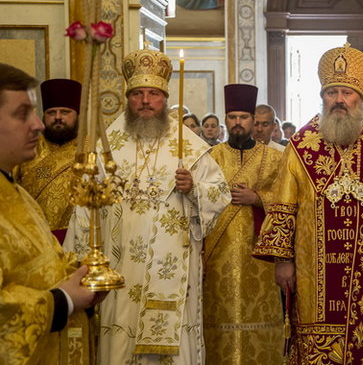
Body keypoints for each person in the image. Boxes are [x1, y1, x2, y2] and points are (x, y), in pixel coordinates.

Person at [253, 43, 363, 364]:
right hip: (314, 270)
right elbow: (282, 205)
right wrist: (282, 261)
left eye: (347, 92)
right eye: (333, 93)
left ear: (360, 98)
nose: (340, 100)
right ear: (323, 98)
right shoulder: (301, 145)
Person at [64, 47, 230, 364]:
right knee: (120, 338)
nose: (145, 101)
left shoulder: (189, 145)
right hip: (121, 267)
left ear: (164, 98)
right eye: (137, 93)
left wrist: (194, 188)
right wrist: (81, 264)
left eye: (153, 93)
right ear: (127, 98)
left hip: (174, 268)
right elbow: (87, 204)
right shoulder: (108, 144)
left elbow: (219, 193)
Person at [0, 63, 103, 364]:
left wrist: (86, 280)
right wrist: (64, 300)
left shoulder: (16, 193)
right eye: (22, 114)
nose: (40, 125)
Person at [203, 84, 284, 364]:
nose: (238, 122)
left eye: (244, 117)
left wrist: (258, 197)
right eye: (233, 117)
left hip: (260, 258)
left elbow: (290, 202)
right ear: (226, 120)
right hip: (217, 258)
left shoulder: (276, 158)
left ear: (254, 120)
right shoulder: (208, 158)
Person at [14, 78, 82, 245]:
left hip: (78, 240)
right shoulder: (25, 150)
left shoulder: (90, 151)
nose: (58, 117)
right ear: (43, 116)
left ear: (77, 115)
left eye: (65, 112)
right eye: (51, 113)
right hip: (33, 241)